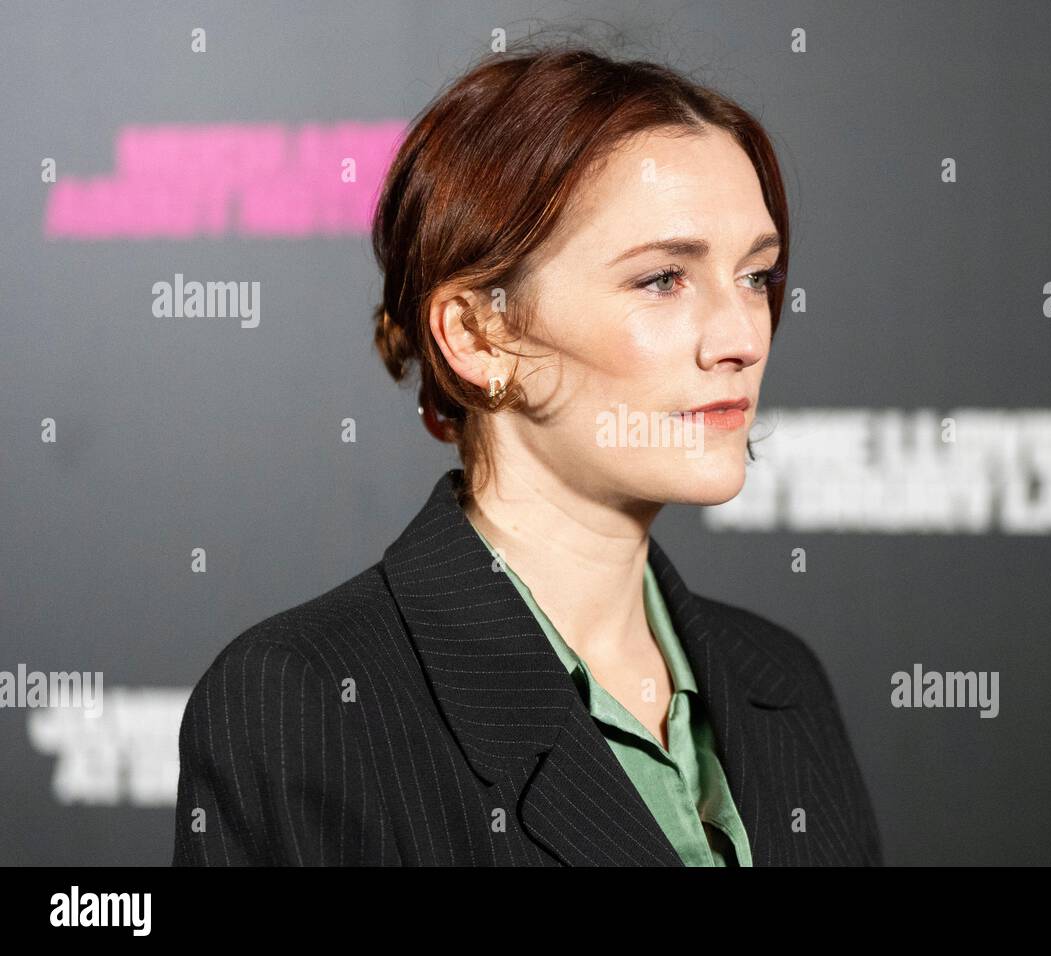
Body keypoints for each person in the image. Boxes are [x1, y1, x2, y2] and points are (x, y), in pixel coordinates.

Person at [172, 43, 883, 867]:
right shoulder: (308, 702)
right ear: (479, 336)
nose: (741, 336)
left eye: (757, 276)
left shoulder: (781, 682)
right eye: (662, 279)